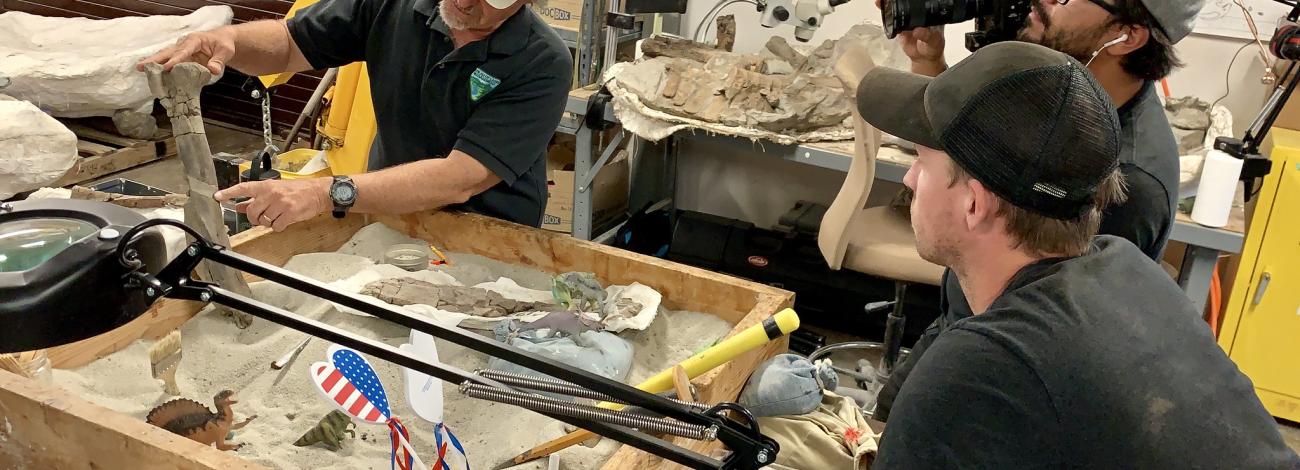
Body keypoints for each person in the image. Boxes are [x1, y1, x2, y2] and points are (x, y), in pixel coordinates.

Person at [850, 40, 1300, 468]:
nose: (909, 180)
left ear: (974, 203)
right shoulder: (1126, 267)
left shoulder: (979, 371)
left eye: (923, 163)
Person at [873, 0, 1203, 422]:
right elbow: (972, 146)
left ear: (1128, 36)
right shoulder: (1056, 95)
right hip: (957, 324)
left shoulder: (1127, 182)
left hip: (997, 372)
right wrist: (930, 61)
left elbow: (1055, 350)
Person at [139, 0, 573, 231]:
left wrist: (325, 193)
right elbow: (290, 44)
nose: (463, 0)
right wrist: (229, 40)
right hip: (386, 209)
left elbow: (461, 178)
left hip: (490, 231)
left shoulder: (542, 60)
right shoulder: (395, 5)